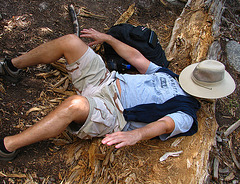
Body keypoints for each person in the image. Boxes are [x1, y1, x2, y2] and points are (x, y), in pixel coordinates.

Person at [0, 28, 236, 161]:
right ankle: (11, 66)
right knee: (71, 42)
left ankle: (7, 147)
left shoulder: (187, 112)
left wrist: (137, 135)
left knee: (75, 105)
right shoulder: (170, 75)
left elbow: (164, 125)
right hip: (105, 79)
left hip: (114, 111)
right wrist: (108, 38)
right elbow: (137, 58)